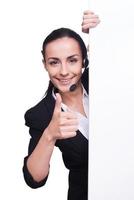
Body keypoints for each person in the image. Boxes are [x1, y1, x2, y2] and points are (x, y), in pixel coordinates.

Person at [22, 10, 100, 200]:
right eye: (54, 62)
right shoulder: (41, 114)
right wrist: (50, 134)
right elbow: (34, 179)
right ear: (45, 65)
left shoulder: (102, 80)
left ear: (84, 60)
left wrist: (102, 33)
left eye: (72, 60)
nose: (64, 72)